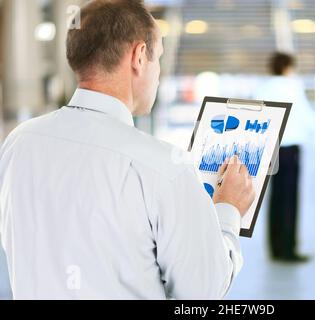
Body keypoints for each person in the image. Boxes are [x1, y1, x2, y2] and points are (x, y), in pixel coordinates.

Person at [0, 0, 255, 300]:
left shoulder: (19, 143)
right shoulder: (164, 167)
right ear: (139, 56)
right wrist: (228, 211)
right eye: (157, 57)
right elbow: (202, 292)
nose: (158, 74)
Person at [254, 52, 315, 263]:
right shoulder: (293, 86)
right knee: (290, 199)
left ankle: (275, 247)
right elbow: (307, 116)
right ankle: (289, 248)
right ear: (288, 67)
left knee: (275, 197)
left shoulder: (263, 88)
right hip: (290, 149)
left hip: (271, 147)